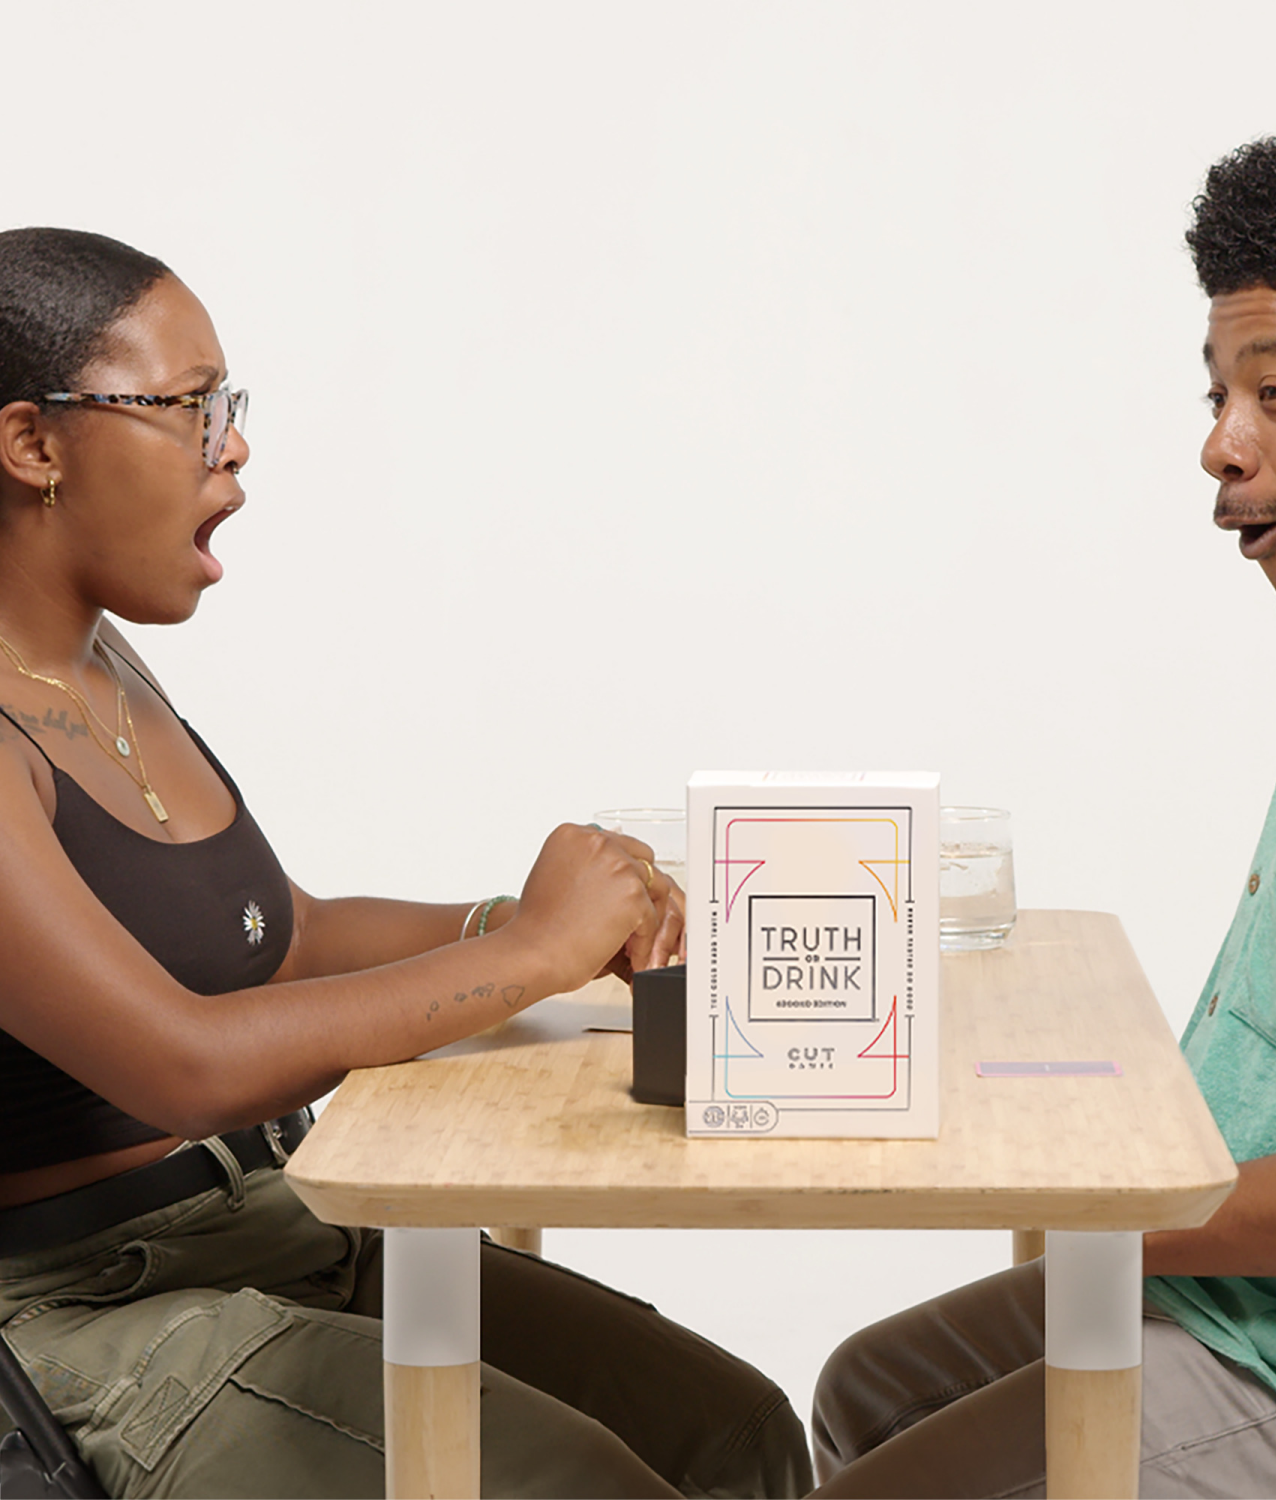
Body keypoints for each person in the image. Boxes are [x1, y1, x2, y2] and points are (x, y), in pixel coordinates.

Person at [0, 227, 811, 1499]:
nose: (232, 446)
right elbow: (185, 1064)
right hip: (81, 1310)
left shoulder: (100, 666)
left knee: (734, 1433)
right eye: (190, 407)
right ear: (33, 444)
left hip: (280, 1222)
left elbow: (287, 939)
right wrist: (525, 956)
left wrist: (531, 923)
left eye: (230, 407)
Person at [810, 127, 1276, 1499]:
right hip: (1233, 1298)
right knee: (864, 1391)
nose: (1219, 445)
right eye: (1218, 395)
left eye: (1275, 394)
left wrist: (1125, 1213)